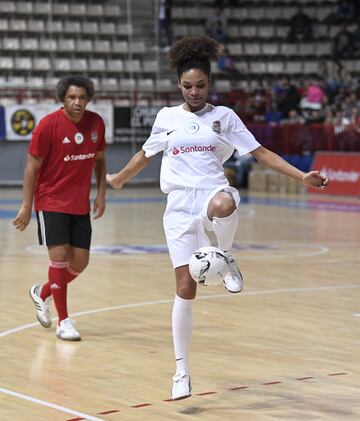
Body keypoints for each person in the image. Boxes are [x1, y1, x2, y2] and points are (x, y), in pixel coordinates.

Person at [106, 36, 328, 401]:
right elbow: (144, 155)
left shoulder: (224, 118)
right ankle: (181, 372)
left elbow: (262, 153)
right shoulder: (166, 118)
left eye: (201, 85)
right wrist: (118, 179)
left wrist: (301, 176)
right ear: (179, 85)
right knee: (184, 289)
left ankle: (226, 257)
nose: (194, 92)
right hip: (178, 208)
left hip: (210, 193)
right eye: (188, 86)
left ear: (210, 84)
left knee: (226, 204)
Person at [12, 74, 106, 341]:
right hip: (51, 200)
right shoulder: (47, 126)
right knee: (60, 257)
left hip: (80, 203)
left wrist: (101, 194)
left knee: (80, 263)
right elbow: (31, 168)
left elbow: (100, 160)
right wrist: (26, 206)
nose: (77, 102)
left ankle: (43, 292)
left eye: (82, 98)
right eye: (72, 98)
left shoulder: (96, 123)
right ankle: (63, 321)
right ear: (63, 99)